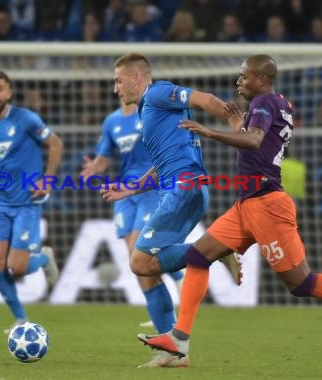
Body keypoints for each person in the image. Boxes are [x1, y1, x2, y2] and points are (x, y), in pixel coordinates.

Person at [138, 54, 322, 364]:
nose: (239, 81)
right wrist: (238, 123)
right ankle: (179, 340)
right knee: (197, 255)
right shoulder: (274, 105)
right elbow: (257, 136)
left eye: (244, 76)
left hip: (267, 204)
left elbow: (254, 141)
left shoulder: (265, 104)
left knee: (301, 284)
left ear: (262, 79)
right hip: (246, 205)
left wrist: (211, 132)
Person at [100, 52, 242, 368]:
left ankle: (216, 248)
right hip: (181, 188)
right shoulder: (147, 112)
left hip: (184, 187)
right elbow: (161, 163)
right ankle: (174, 350)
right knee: (148, 269)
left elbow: (202, 98)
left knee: (139, 262)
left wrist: (234, 120)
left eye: (118, 80)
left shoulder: (160, 92)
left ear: (136, 77)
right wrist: (131, 188)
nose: (116, 88)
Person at [81, 100, 189, 329]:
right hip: (124, 194)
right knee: (135, 260)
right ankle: (163, 310)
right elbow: (104, 157)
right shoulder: (112, 120)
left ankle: (180, 286)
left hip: (150, 188)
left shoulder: (150, 114)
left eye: (120, 81)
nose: (117, 88)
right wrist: (93, 168)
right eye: (115, 82)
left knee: (139, 255)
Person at [0, 70, 62, 333]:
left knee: (19, 268)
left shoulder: (26, 118)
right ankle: (20, 318)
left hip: (26, 203)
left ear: (9, 92)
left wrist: (47, 179)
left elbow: (55, 144)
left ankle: (44, 258)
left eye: (1, 88)